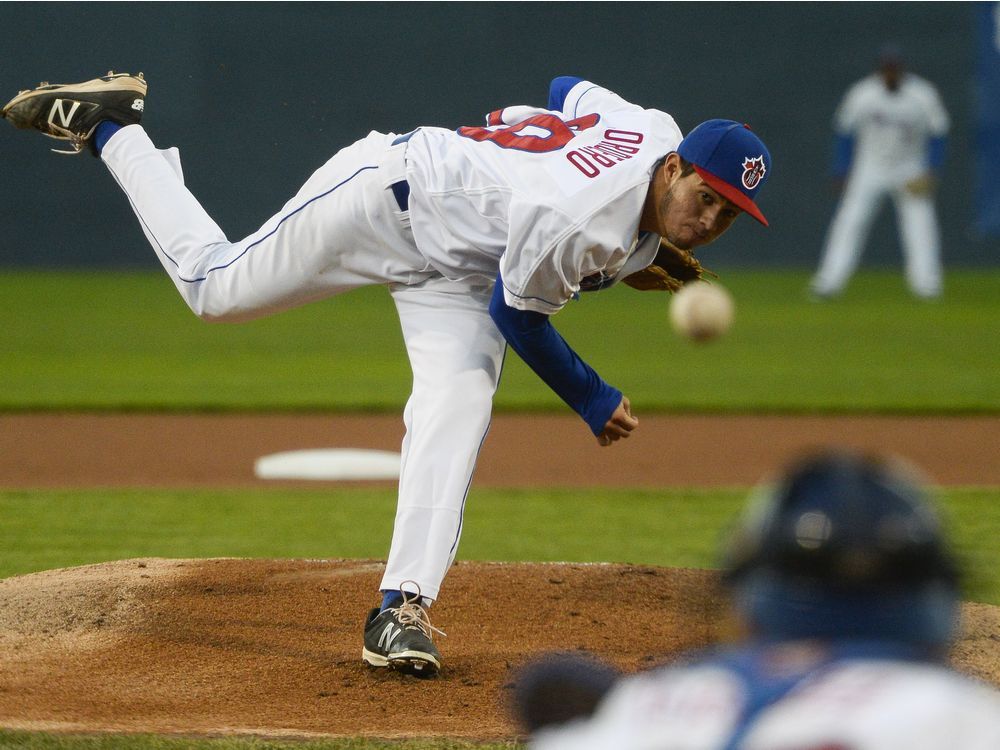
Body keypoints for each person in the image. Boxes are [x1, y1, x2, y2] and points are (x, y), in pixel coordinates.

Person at [2, 71, 771, 678]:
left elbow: (567, 89)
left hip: (461, 267)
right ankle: (112, 128)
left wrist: (556, 170)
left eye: (727, 215)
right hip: (387, 198)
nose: (708, 222)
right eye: (704, 198)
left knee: (458, 407)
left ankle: (401, 607)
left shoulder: (655, 130)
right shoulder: (578, 216)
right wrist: (592, 396)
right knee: (214, 289)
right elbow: (520, 317)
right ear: (672, 167)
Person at [516, 449, 1000, 748]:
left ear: (751, 593)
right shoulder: (969, 719)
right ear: (936, 597)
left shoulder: (645, 708)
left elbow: (546, 691)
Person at [810, 44, 950, 300]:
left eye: (894, 68)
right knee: (850, 221)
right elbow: (844, 132)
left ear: (902, 69)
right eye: (886, 68)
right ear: (880, 69)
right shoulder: (863, 93)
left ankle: (927, 285)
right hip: (870, 167)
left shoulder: (922, 94)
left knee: (920, 226)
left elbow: (938, 133)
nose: (890, 72)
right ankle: (828, 282)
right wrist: (841, 169)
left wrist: (931, 170)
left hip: (910, 169)